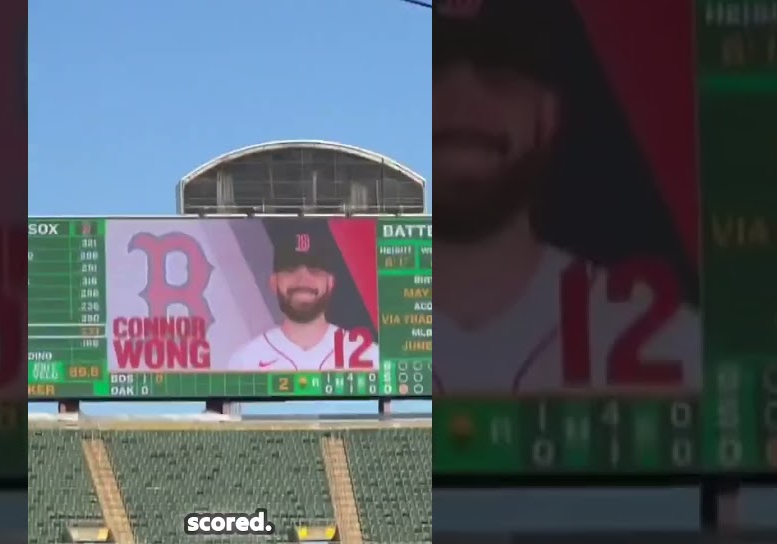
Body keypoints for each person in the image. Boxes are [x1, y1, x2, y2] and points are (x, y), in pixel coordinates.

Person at [434, 0, 700, 393]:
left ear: (551, 112)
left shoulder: (670, 340)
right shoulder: (316, 322)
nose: (461, 101)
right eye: (426, 73)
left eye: (500, 72)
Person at [228, 232, 380, 371]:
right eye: (291, 269)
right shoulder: (245, 361)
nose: (303, 279)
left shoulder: (369, 356)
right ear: (274, 282)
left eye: (315, 270)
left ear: (330, 283)